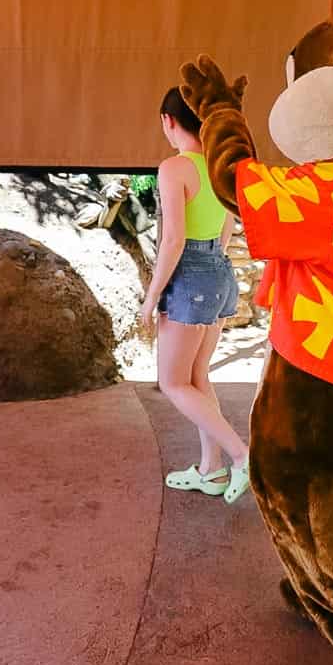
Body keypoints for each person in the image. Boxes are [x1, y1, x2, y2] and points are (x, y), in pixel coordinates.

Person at [138, 87, 249, 504]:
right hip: (219, 273)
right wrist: (213, 267)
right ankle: (211, 470)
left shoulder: (174, 168)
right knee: (198, 377)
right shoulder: (221, 166)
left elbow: (172, 242)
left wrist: (151, 298)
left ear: (168, 121)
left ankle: (241, 455)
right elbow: (225, 229)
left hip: (190, 278)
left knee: (172, 381)